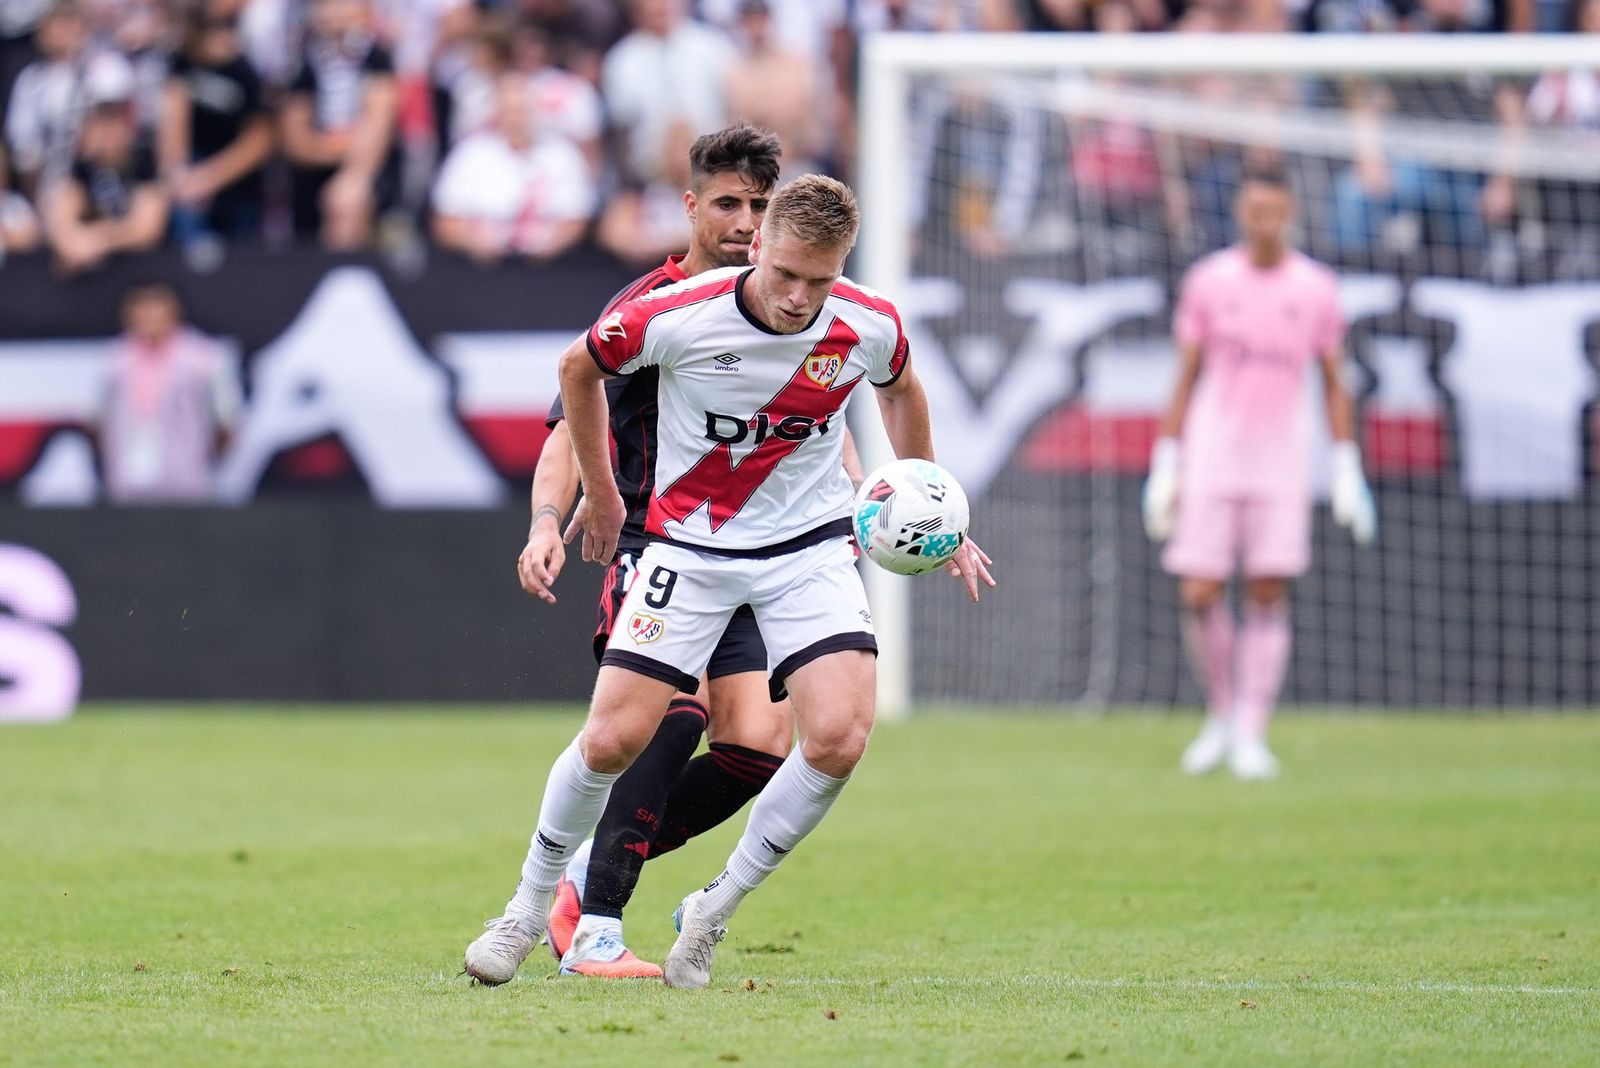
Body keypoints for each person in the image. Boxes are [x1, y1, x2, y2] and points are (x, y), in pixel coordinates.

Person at [465, 173, 993, 990]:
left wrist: (930, 504)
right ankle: (528, 907)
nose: (798, 296)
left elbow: (902, 392)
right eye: (786, 274)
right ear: (762, 247)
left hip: (807, 551)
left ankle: (713, 909)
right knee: (612, 740)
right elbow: (578, 370)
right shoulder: (677, 313)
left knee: (840, 737)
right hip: (688, 550)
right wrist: (600, 498)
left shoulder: (869, 321)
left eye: (819, 280)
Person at [477, 124, 803, 982]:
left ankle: (584, 880)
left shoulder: (793, 307)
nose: (744, 223)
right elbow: (564, 421)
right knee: (669, 712)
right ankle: (594, 933)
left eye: (761, 207)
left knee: (760, 743)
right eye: (728, 203)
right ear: (692, 206)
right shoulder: (650, 305)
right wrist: (549, 522)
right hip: (654, 538)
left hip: (754, 550)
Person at [1142, 164, 1376, 782]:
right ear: (1241, 213)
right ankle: (1220, 714)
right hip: (1213, 456)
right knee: (1199, 589)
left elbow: (1333, 381)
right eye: (1253, 211)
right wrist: (1166, 461)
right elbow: (1186, 374)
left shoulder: (1317, 288)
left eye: (1274, 211)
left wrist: (1348, 465)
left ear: (1289, 213)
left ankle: (1251, 727)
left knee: (1268, 589)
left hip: (1281, 461)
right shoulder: (1210, 282)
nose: (1264, 222)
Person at [99, 281, 241, 504]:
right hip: (127, 477)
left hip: (186, 477)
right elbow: (98, 421)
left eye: (157, 306)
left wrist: (205, 457)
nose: (150, 315)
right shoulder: (115, 358)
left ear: (174, 309)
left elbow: (227, 421)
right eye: (142, 306)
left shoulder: (202, 357)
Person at [429, 72, 593, 264]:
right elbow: (445, 220)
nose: (517, 119)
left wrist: (546, 246)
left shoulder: (562, 153)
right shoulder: (469, 154)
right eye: (510, 111)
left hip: (547, 269)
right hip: (482, 268)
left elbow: (576, 218)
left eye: (522, 110)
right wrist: (475, 242)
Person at [280, 0, 398, 249]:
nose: (336, 15)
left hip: (366, 172)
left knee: (347, 198)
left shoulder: (376, 59)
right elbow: (296, 142)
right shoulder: (304, 63)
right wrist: (339, 146)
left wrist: (354, 174)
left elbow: (379, 128)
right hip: (314, 175)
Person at [160, 0, 274, 246]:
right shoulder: (181, 64)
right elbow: (173, 122)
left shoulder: (242, 69)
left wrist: (208, 178)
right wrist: (179, 173)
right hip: (193, 173)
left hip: (237, 184)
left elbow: (259, 139)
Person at [43, 70, 167, 274]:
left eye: (115, 118)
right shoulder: (81, 166)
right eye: (101, 118)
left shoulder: (144, 162)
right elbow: (61, 226)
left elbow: (147, 229)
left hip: (142, 271)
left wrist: (98, 239)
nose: (108, 129)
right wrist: (77, 243)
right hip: (94, 278)